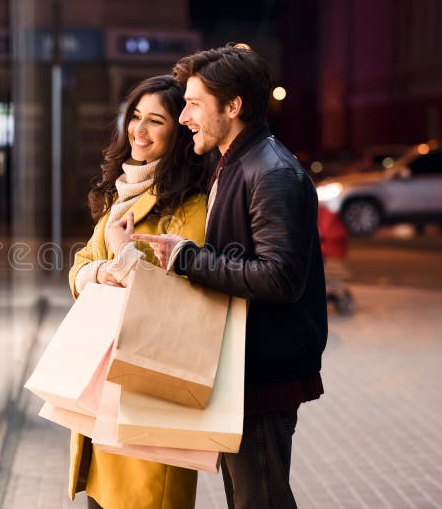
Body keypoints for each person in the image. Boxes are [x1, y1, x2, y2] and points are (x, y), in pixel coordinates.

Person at [133, 45, 328, 509]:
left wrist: (187, 259)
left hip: (264, 371)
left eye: (194, 104)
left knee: (259, 499)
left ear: (233, 106)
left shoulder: (272, 171)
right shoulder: (237, 160)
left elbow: (280, 277)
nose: (184, 118)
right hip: (247, 368)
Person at [68, 75, 209, 508]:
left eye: (155, 121)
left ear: (179, 134)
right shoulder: (122, 193)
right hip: (104, 376)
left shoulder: (189, 205)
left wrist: (126, 258)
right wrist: (100, 273)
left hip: (149, 380)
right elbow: (80, 265)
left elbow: (185, 291)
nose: (139, 131)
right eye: (135, 117)